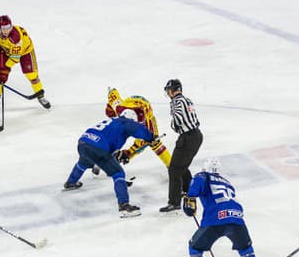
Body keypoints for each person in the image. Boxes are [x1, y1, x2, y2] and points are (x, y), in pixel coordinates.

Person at [180, 158, 267, 257]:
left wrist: (188, 199)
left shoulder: (202, 176)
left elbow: (192, 192)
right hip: (236, 217)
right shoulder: (227, 182)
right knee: (246, 249)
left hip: (215, 219)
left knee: (194, 248)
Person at [63, 110, 156, 218]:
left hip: (83, 143)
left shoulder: (113, 121)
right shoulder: (125, 122)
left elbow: (109, 147)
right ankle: (124, 206)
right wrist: (151, 137)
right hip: (97, 148)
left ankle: (71, 182)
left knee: (84, 162)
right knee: (118, 174)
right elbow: (137, 129)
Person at [0, 15, 51, 110]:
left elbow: (15, 58)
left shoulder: (16, 37)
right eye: (3, 28)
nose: (6, 30)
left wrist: (5, 67)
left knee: (32, 75)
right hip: (7, 50)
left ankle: (41, 96)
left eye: (8, 27)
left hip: (25, 51)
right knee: (1, 75)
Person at [160, 79, 203, 213]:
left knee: (174, 169)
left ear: (173, 90)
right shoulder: (187, 100)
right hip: (196, 135)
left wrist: (175, 125)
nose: (168, 93)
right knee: (181, 167)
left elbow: (177, 119)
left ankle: (174, 202)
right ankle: (190, 192)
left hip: (187, 138)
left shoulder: (176, 101)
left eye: (168, 90)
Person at [103, 87, 171, 167]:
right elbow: (113, 96)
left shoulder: (144, 120)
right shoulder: (118, 108)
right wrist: (111, 91)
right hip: (129, 104)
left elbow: (142, 142)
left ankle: (172, 166)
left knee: (154, 142)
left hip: (145, 111)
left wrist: (129, 153)